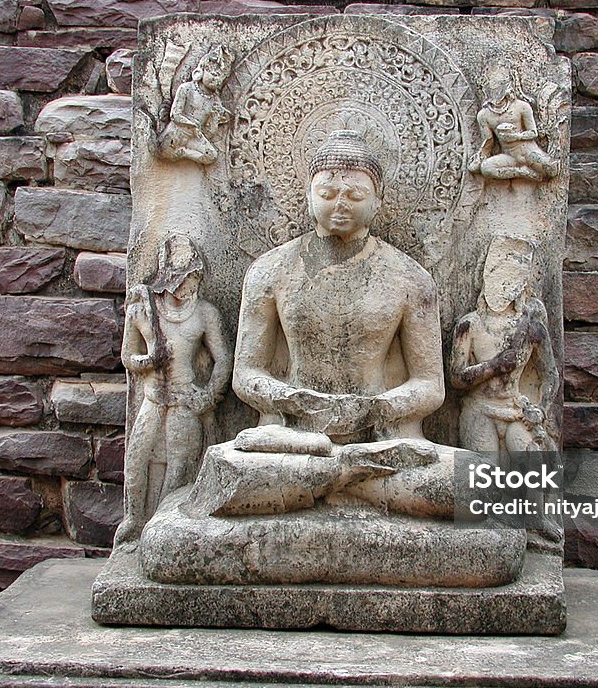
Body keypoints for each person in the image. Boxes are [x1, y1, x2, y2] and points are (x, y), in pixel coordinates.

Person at [191, 130, 461, 520]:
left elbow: (430, 385)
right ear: (307, 195)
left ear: (378, 200)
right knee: (225, 471)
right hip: (292, 440)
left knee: (474, 484)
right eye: (328, 193)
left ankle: (332, 480)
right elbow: (246, 374)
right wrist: (291, 400)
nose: (340, 205)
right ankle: (351, 482)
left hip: (383, 442)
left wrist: (375, 409)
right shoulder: (271, 271)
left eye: (355, 195)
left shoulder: (409, 278)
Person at [115, 235, 231, 544]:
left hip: (184, 400)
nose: (186, 286)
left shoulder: (205, 313)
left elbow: (223, 360)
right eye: (180, 279)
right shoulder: (143, 311)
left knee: (179, 467)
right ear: (166, 278)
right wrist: (151, 357)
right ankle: (135, 519)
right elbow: (128, 357)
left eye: (192, 278)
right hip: (153, 398)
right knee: (137, 459)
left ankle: (161, 530)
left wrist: (207, 396)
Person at [449, 237, 557, 462]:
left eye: (511, 276)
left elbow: (550, 375)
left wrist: (542, 409)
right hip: (479, 409)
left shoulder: (532, 328)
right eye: (496, 273)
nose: (503, 283)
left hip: (515, 408)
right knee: (484, 473)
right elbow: (456, 378)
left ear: (521, 284)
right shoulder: (470, 325)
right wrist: (494, 366)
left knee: (534, 464)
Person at [470, 68, 555, 182]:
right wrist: (479, 158)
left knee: (551, 170)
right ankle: (523, 172)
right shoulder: (484, 115)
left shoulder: (521, 106)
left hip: (528, 151)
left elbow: (533, 132)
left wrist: (516, 136)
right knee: (486, 168)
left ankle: (530, 170)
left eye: (499, 87)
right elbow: (488, 141)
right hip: (509, 156)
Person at [157, 45, 232, 165]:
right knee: (162, 150)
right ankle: (174, 151)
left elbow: (209, 133)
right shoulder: (187, 89)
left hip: (194, 137)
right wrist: (192, 125)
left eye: (221, 78)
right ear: (201, 71)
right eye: (213, 74)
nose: (217, 80)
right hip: (178, 131)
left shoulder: (215, 100)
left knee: (211, 155)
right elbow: (175, 114)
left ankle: (184, 153)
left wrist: (215, 119)